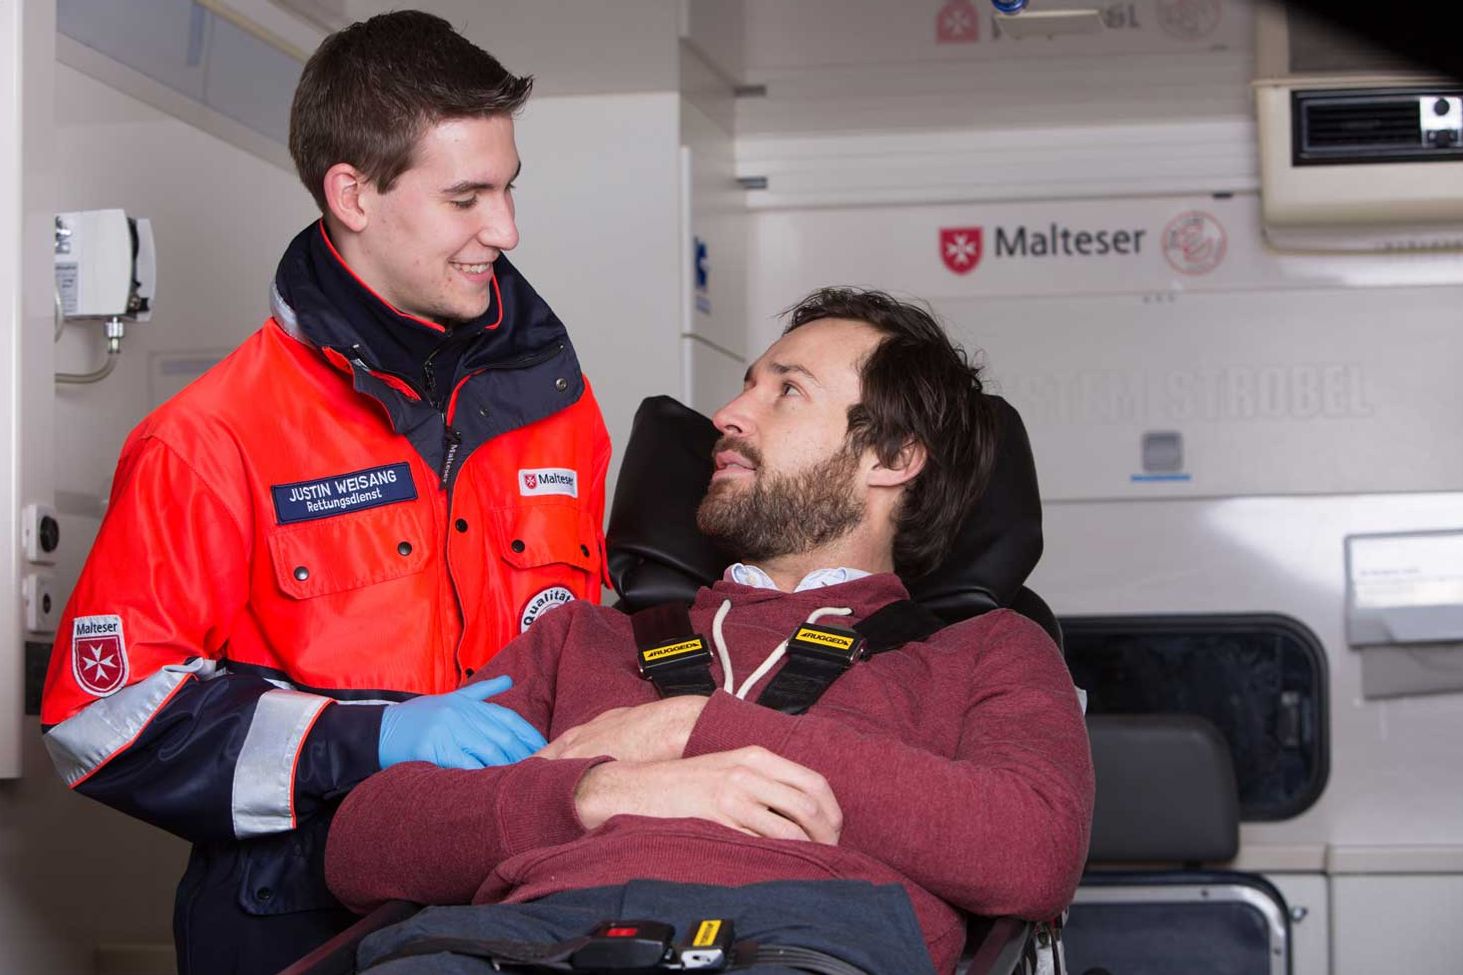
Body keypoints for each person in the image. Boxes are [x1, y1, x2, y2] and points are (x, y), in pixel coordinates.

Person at [39, 11, 610, 974]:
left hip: (525, 898)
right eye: (466, 196)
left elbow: (589, 634)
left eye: (508, 189)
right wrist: (371, 737)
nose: (505, 231)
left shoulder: (559, 406)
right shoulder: (210, 436)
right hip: (295, 914)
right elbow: (103, 721)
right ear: (352, 192)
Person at [324, 289, 1094, 975]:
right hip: (526, 942)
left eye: (787, 390)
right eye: (746, 384)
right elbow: (364, 843)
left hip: (798, 944)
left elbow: (1033, 852)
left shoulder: (984, 647)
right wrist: (596, 792)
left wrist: (693, 725)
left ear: (891, 457)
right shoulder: (582, 637)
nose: (728, 415)